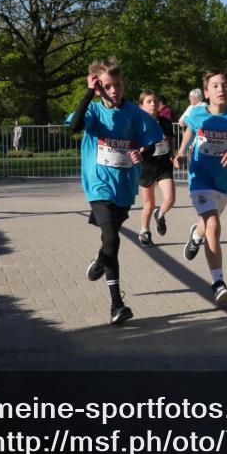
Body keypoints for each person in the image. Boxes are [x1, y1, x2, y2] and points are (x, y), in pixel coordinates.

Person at [68, 58, 164, 325]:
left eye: (117, 85)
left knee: (109, 243)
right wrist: (89, 92)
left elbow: (156, 145)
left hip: (124, 187)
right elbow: (74, 127)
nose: (113, 91)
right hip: (98, 185)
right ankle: (116, 305)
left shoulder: (135, 113)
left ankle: (100, 261)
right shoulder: (93, 111)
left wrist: (141, 152)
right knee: (112, 239)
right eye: (107, 86)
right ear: (99, 86)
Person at [173, 70, 227, 306]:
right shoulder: (197, 113)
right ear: (206, 92)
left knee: (207, 225)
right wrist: (182, 153)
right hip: (200, 178)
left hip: (225, 182)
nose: (221, 89)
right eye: (215, 86)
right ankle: (218, 283)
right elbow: (190, 130)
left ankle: (195, 234)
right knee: (213, 224)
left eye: (225, 85)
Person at [137, 89, 176, 247]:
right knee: (149, 204)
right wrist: (140, 150)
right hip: (147, 167)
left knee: (170, 199)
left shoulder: (165, 122)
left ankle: (159, 215)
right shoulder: (138, 124)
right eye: (149, 101)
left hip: (164, 165)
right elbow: (133, 145)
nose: (153, 104)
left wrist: (173, 154)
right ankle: (144, 232)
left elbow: (171, 140)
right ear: (141, 106)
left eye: (155, 101)